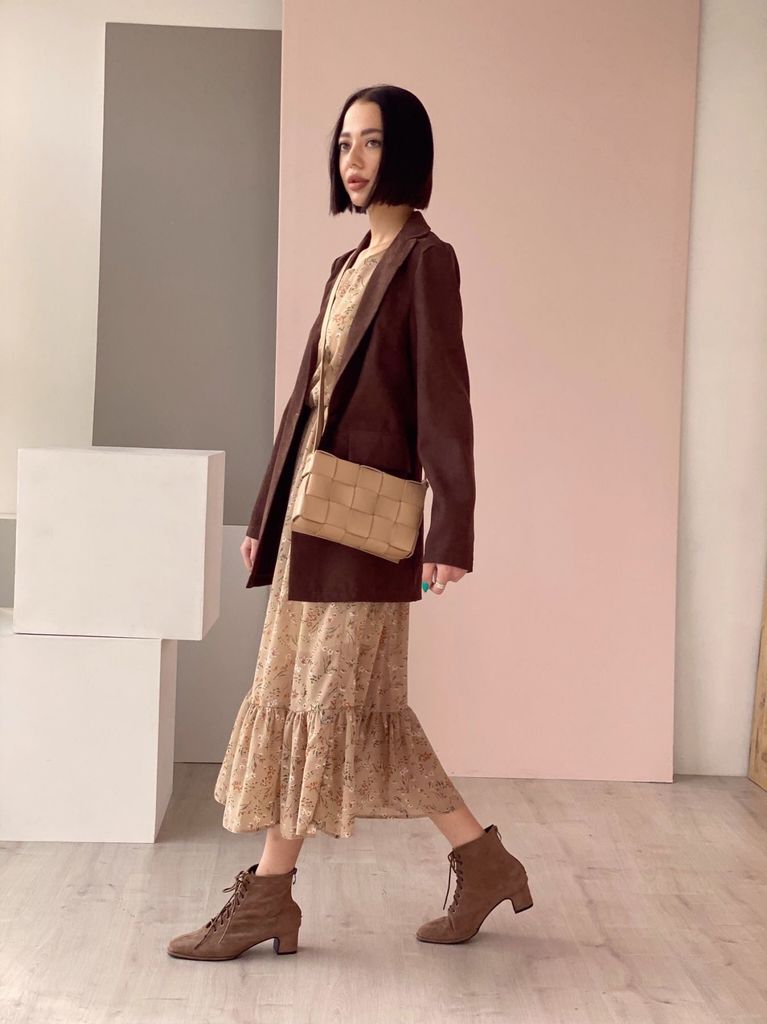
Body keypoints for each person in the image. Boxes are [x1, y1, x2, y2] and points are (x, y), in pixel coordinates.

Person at [167, 85, 532, 962]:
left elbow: (445, 402)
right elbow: (307, 405)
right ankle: (484, 864)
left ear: (405, 152)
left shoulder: (425, 261)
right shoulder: (346, 266)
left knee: (320, 701)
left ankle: (266, 899)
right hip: (310, 524)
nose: (354, 159)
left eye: (370, 142)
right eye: (343, 145)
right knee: (358, 711)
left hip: (365, 531)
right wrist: (265, 516)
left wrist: (452, 530)